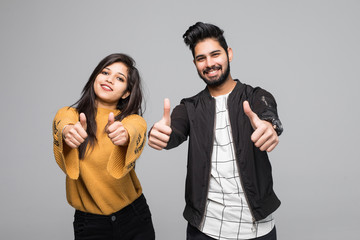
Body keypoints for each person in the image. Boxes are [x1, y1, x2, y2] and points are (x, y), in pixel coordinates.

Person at [148, 22, 283, 240]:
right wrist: (159, 133)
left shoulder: (256, 96)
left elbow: (267, 115)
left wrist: (270, 127)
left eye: (215, 54)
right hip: (204, 230)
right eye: (201, 58)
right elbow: (172, 130)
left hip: (257, 230)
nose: (209, 64)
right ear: (195, 63)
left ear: (229, 54)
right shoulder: (189, 107)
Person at [52, 53, 155, 240]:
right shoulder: (71, 115)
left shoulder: (132, 120)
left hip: (134, 217)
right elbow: (62, 122)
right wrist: (68, 131)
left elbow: (136, 129)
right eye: (105, 72)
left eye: (120, 78)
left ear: (126, 92)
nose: (109, 79)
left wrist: (124, 135)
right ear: (95, 77)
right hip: (90, 224)